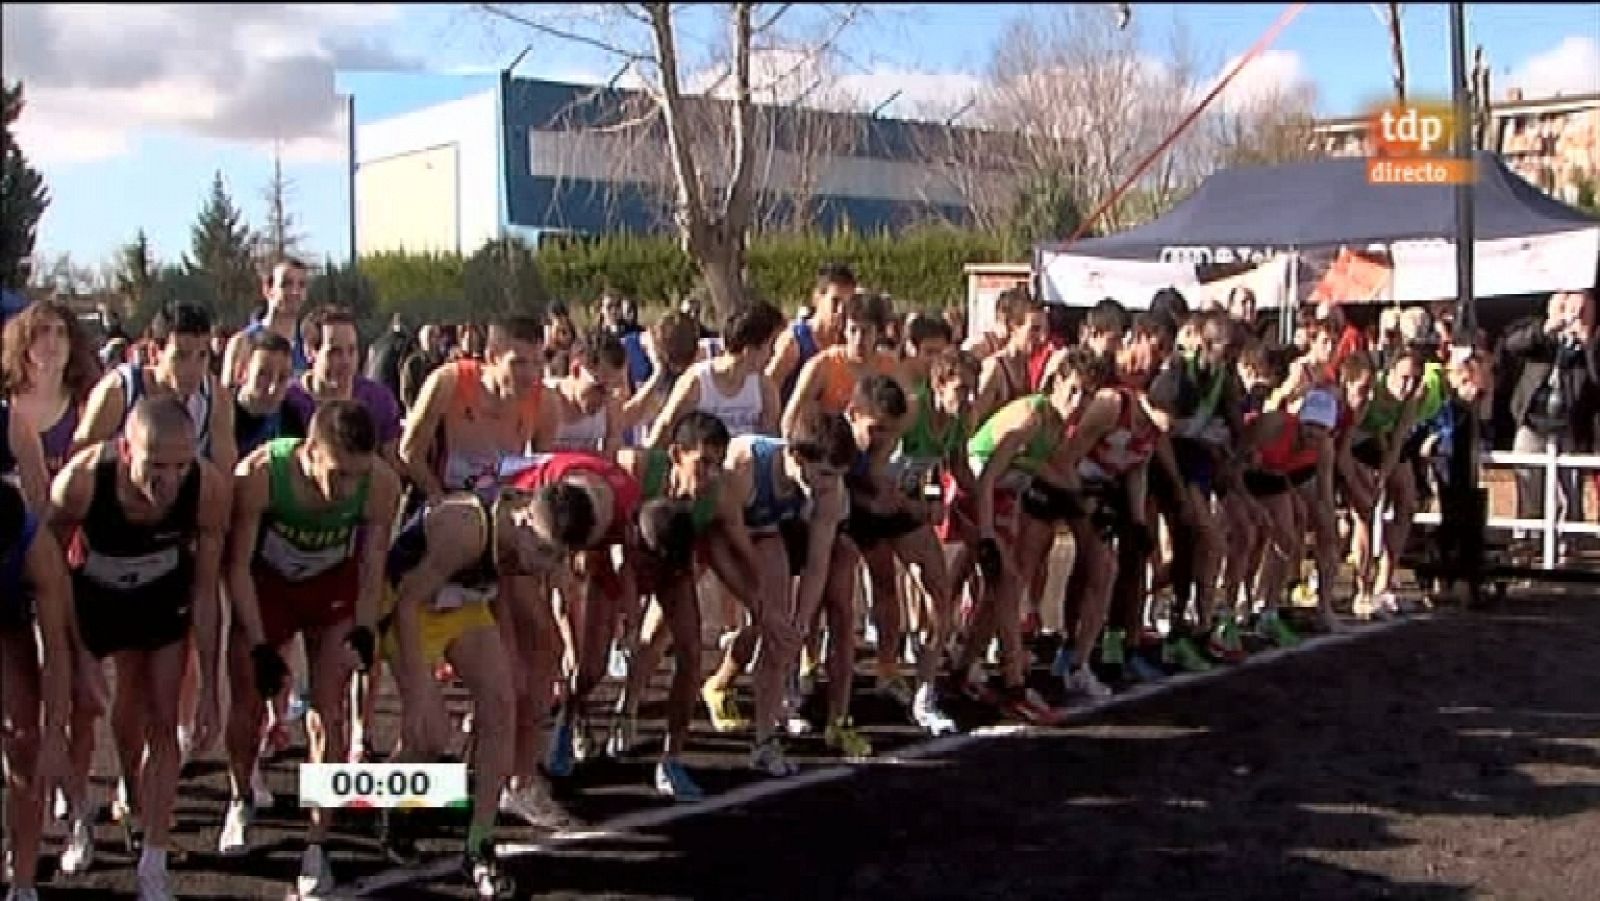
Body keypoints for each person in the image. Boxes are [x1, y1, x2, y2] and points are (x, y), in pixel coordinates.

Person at [379, 466, 605, 896]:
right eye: (542, 552)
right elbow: (407, 601)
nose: (544, 565)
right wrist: (420, 690)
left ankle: (480, 843)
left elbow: (517, 595)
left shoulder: (535, 536)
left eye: (555, 557)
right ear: (521, 522)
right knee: (430, 735)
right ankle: (386, 798)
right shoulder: (466, 528)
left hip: (463, 604)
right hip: (409, 605)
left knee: (503, 704)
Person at [49, 397, 230, 895]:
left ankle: (154, 857)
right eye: (155, 466)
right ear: (127, 450)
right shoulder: (82, 480)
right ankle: (81, 820)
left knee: (160, 718)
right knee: (80, 712)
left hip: (159, 599)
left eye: (180, 465)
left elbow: (207, 592)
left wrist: (212, 686)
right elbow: (51, 576)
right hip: (93, 598)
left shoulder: (208, 488)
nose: (167, 480)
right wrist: (77, 656)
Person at [218, 401, 400, 894]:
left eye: (354, 477)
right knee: (246, 705)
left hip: (330, 591)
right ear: (309, 452)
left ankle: (318, 840)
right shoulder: (259, 475)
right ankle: (240, 795)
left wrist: (365, 627)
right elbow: (235, 567)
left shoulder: (379, 483)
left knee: (329, 711)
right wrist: (259, 647)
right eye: (337, 475)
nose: (344, 489)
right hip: (268, 588)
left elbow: (372, 563)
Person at [611, 412, 764, 799]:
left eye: (718, 463)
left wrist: (766, 605)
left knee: (688, 653)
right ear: (677, 455)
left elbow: (743, 552)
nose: (710, 473)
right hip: (630, 557)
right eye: (703, 463)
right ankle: (612, 711)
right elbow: (614, 529)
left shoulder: (721, 493)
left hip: (677, 563)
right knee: (605, 656)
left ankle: (671, 757)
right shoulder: (640, 467)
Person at [0, 479, 74, 901]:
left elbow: (57, 651)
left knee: (25, 746)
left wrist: (54, 734)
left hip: (10, 618)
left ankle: (23, 882)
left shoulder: (36, 550)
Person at [75, 301, 237, 476]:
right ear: (154, 353)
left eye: (202, 356)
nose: (193, 368)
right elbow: (79, 463)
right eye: (181, 356)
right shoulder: (119, 391)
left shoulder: (215, 398)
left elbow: (225, 474)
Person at [649, 300, 786, 446]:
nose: (773, 354)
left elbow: (770, 442)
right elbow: (666, 426)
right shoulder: (698, 382)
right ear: (749, 349)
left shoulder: (765, 389)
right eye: (771, 345)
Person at [766, 263, 857, 404]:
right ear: (817, 298)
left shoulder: (849, 342)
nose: (841, 311)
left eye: (847, 304)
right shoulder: (795, 341)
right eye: (835, 301)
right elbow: (767, 387)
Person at [221, 257, 311, 388]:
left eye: (301, 285)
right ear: (268, 289)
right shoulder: (243, 342)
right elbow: (227, 398)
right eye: (286, 284)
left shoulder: (309, 343)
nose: (295, 292)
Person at [364, 313, 416, 402]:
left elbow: (366, 373)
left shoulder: (375, 344)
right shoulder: (406, 345)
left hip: (369, 399)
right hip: (391, 402)